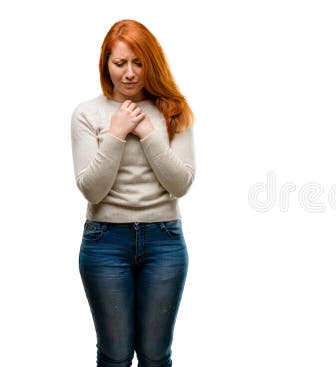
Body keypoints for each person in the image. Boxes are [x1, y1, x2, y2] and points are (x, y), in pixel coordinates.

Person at [71, 19, 195, 367]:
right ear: (106, 64)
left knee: (156, 356)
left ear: (151, 62)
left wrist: (148, 133)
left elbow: (181, 183)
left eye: (138, 62)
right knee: (116, 355)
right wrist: (116, 134)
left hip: (164, 241)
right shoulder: (87, 114)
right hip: (104, 242)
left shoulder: (173, 110)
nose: (129, 73)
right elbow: (91, 190)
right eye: (120, 63)